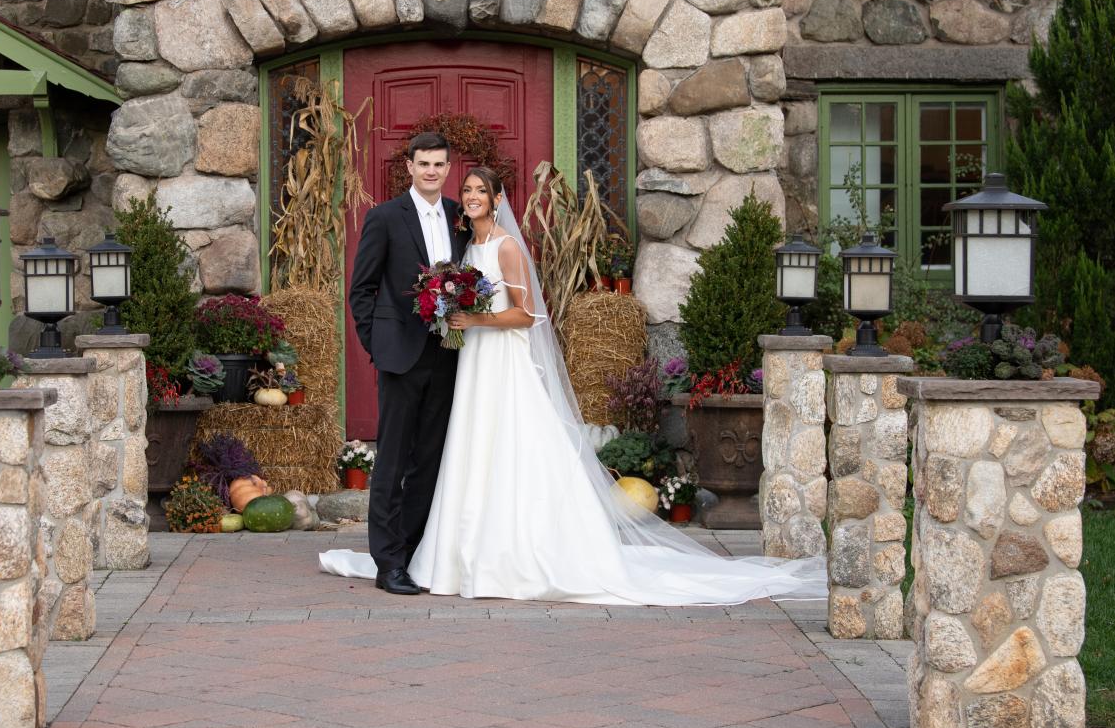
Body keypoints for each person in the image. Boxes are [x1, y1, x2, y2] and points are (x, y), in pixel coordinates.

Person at [323, 168, 827, 606]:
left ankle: (518, 553)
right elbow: (374, 287)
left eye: (481, 190)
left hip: (497, 358)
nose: (472, 196)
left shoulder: (503, 246)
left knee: (512, 447)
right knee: (469, 450)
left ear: (497, 199)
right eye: (469, 189)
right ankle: (443, 553)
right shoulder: (464, 240)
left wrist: (474, 317)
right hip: (466, 360)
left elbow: (528, 314)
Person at [346, 132, 469, 595]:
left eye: (440, 164)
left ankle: (414, 551)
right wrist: (376, 345)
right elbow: (362, 289)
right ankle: (388, 563)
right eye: (424, 164)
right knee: (393, 459)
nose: (432, 171)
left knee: (430, 460)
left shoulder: (460, 216)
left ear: (448, 168)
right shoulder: (384, 218)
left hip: (448, 354)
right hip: (399, 355)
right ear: (410, 167)